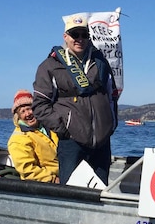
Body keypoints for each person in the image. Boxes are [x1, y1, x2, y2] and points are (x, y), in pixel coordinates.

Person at [32, 13, 119, 184]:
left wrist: (111, 125)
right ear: (65, 36)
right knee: (71, 194)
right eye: (74, 34)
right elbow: (40, 106)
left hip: (102, 144)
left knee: (101, 193)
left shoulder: (101, 62)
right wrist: (65, 130)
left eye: (84, 34)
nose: (79, 39)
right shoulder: (49, 66)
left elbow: (112, 96)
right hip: (72, 143)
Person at [7, 89, 60, 183]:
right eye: (22, 111)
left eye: (29, 108)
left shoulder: (50, 126)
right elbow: (28, 170)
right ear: (18, 116)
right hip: (50, 183)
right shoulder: (18, 139)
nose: (28, 114)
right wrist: (53, 180)